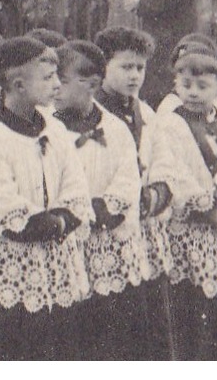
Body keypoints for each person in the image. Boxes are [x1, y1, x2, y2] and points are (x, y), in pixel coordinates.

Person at [0, 36, 90, 360]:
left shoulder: (54, 130)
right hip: (10, 265)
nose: (57, 84)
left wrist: (64, 216)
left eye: (57, 76)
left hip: (52, 261)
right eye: (47, 78)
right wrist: (48, 221)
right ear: (18, 84)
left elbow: (75, 184)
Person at [142, 51, 217, 359]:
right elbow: (170, 170)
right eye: (186, 84)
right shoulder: (168, 125)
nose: (193, 92)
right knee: (190, 316)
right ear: (176, 85)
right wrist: (205, 207)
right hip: (188, 233)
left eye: (202, 86)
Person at [51, 40, 152, 361]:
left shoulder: (116, 129)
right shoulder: (48, 129)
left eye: (63, 81)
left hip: (106, 240)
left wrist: (105, 208)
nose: (55, 88)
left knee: (109, 328)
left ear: (92, 85)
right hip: (66, 238)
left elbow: (127, 179)